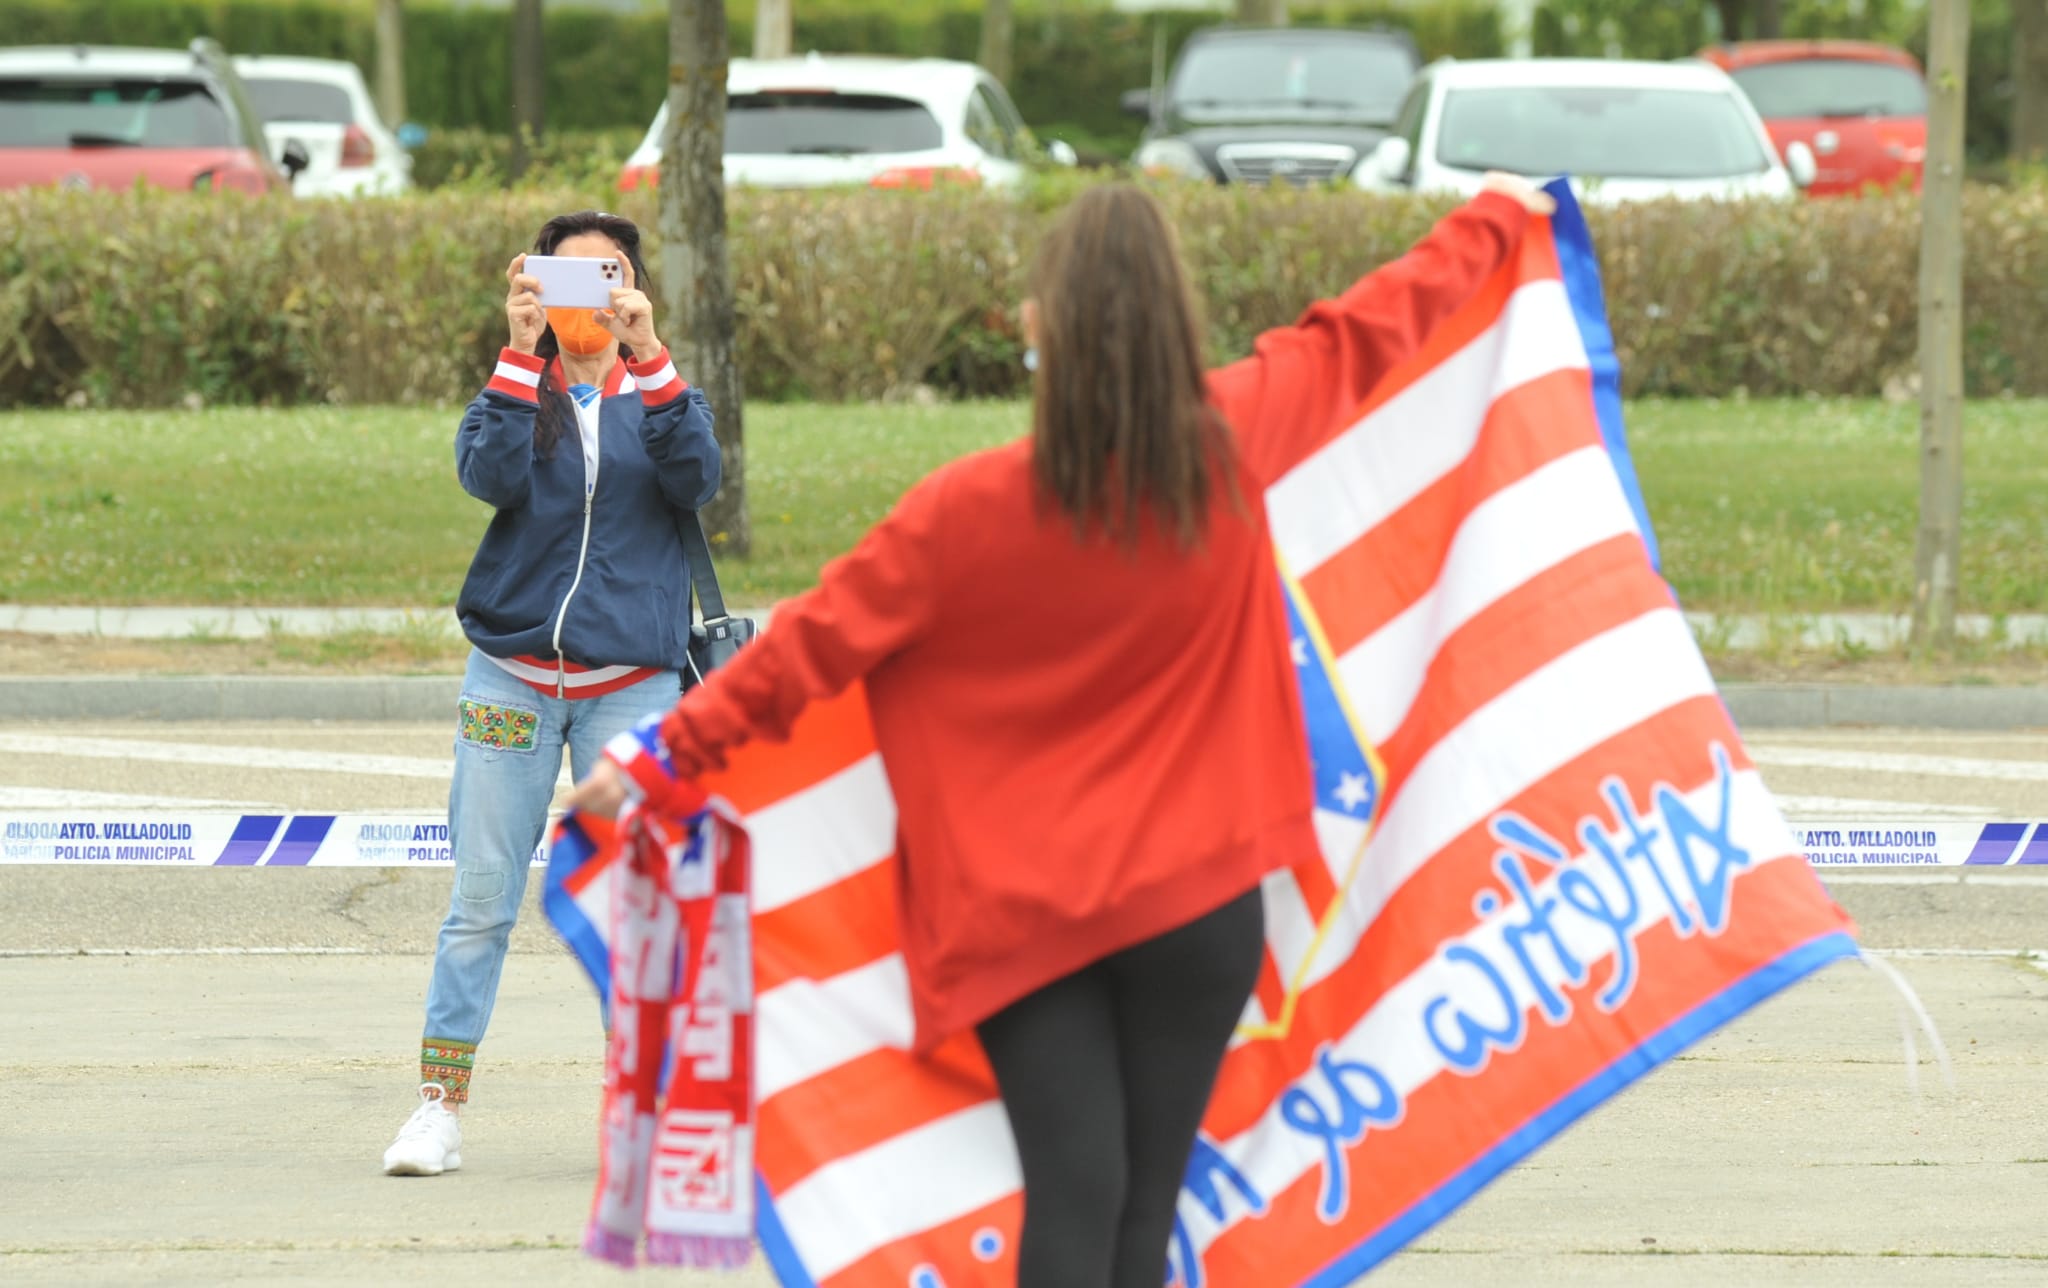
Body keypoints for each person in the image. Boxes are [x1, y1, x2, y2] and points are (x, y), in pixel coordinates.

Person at [568, 174, 1555, 1283]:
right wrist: (1496, 221)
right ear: (1178, 319)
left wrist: (653, 758)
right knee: (1143, 1204)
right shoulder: (1233, 438)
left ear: (1042, 329)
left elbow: (805, 652)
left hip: (1020, 916)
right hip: (1199, 909)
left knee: (1072, 1193)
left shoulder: (960, 513)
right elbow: (1368, 325)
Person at [382, 210, 723, 1178]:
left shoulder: (656, 394)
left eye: (603, 276)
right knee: (483, 896)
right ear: (536, 287)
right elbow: (483, 476)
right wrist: (516, 350)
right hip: (513, 679)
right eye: (563, 277)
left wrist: (651, 355)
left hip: (631, 684)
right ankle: (437, 1109)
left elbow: (700, 479)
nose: (585, 296)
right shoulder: (515, 391)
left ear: (631, 287)